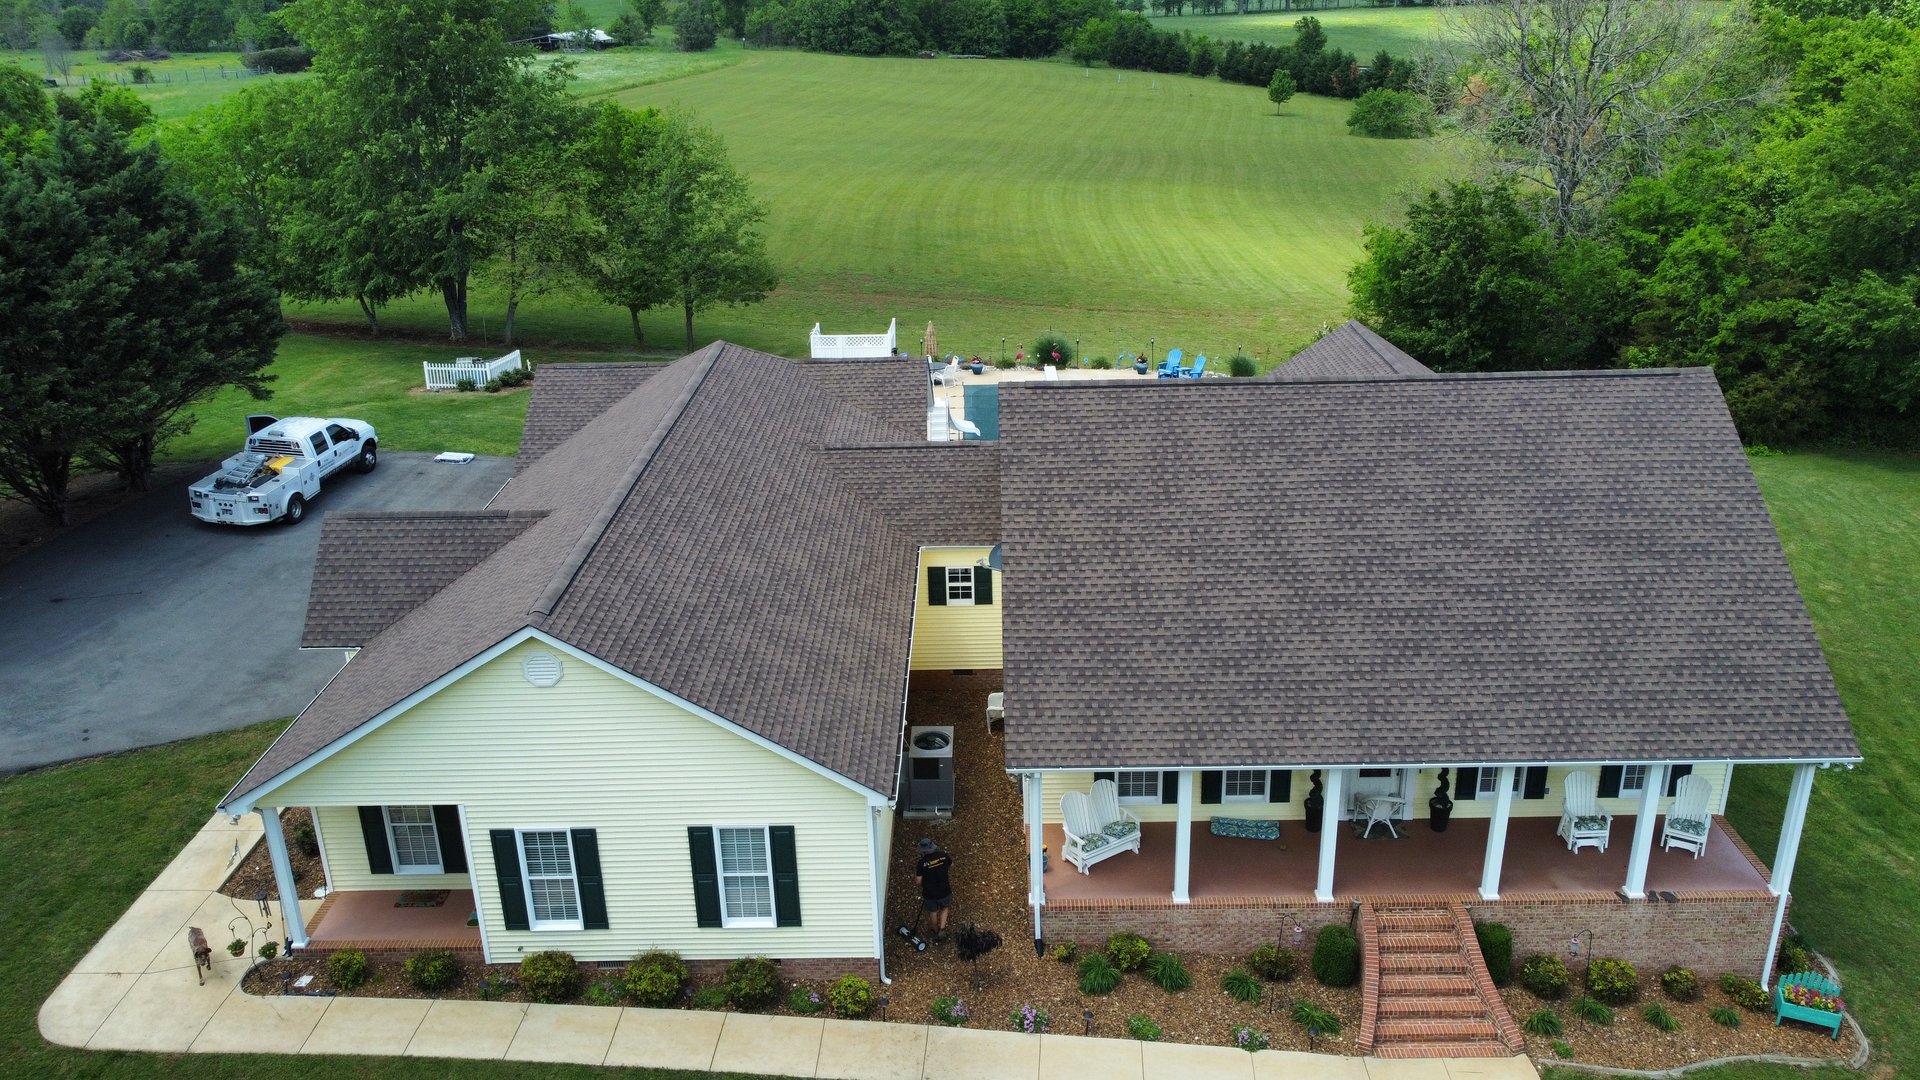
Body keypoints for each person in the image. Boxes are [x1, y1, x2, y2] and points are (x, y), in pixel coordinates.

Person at [915, 837, 954, 942]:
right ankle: (942, 929)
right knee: (945, 908)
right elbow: (951, 864)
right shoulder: (943, 856)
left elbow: (918, 881)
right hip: (944, 889)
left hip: (930, 893)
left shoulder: (922, 863)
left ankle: (935, 930)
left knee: (933, 911)